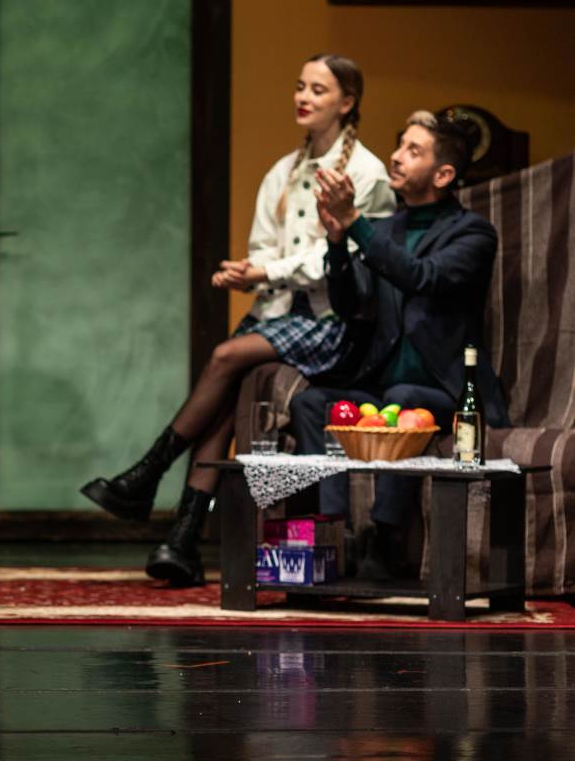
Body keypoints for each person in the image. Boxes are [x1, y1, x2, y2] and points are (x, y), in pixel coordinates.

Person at [80, 54, 396, 585]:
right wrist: (246, 272)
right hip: (278, 310)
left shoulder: (366, 174)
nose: (303, 97)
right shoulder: (283, 171)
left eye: (318, 90)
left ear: (347, 102)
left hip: (336, 318)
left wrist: (266, 269)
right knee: (226, 400)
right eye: (300, 86)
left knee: (227, 355)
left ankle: (147, 474)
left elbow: (341, 262)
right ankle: (182, 540)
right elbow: (265, 247)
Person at [291, 111, 505, 579]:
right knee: (311, 403)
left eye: (413, 150)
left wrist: (355, 222)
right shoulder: (385, 230)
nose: (395, 156)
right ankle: (335, 534)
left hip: (445, 391)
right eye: (399, 145)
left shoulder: (473, 234)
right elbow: (351, 306)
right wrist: (336, 242)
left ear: (443, 174)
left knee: (404, 395)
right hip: (382, 387)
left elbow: (422, 277)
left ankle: (385, 538)